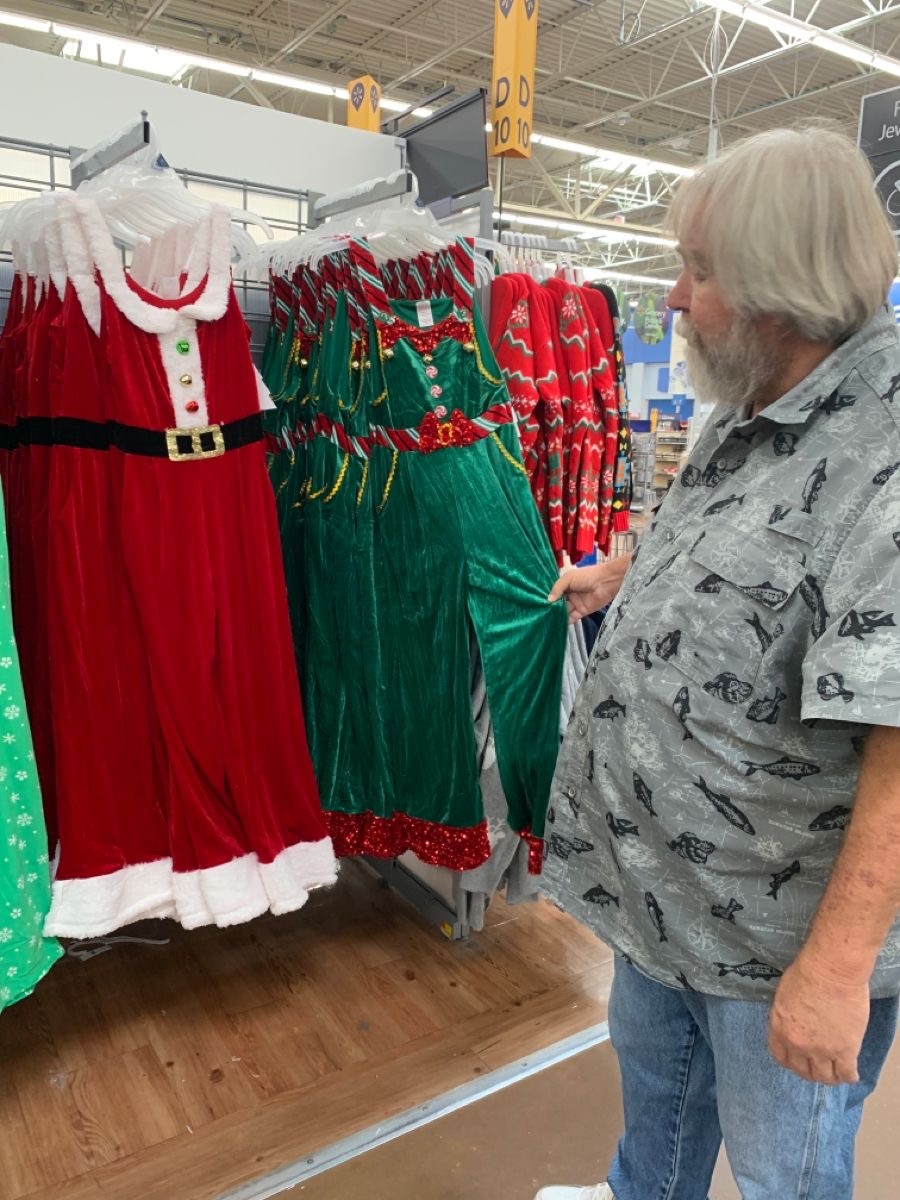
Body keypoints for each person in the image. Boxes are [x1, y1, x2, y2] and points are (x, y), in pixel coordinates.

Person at [535, 126, 900, 1200]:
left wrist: (834, 973)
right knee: (655, 1132)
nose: (675, 298)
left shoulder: (885, 456)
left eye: (700, 270)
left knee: (787, 1176)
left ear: (783, 287)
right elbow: (742, 541)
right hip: (665, 895)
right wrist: (627, 572)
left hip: (775, 943)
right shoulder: (749, 394)